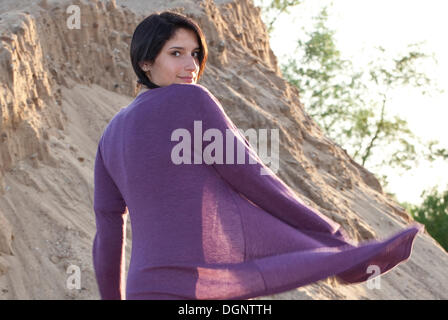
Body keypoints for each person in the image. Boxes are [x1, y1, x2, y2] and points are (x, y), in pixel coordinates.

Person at [92, 11, 424, 300]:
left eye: (195, 54)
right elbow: (253, 177)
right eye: (176, 53)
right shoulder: (189, 100)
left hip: (145, 288)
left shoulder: (109, 136)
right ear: (145, 61)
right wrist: (332, 239)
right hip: (196, 286)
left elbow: (108, 236)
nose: (191, 66)